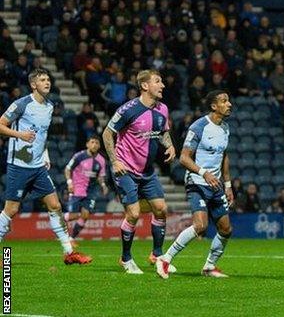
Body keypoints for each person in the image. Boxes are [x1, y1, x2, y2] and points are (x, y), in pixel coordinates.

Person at [0, 68, 91, 264]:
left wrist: (46, 154)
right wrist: (20, 135)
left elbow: (42, 135)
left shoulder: (50, 106)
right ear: (33, 85)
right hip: (19, 165)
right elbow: (1, 124)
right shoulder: (21, 104)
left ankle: (69, 252)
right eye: (42, 80)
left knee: (55, 205)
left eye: (48, 79)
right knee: (11, 210)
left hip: (38, 166)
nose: (47, 82)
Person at [102, 69, 176, 274]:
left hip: (148, 171)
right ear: (145, 86)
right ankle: (126, 258)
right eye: (157, 82)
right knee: (133, 213)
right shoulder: (128, 109)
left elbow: (163, 133)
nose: (162, 85)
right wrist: (114, 162)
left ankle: (157, 255)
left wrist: (169, 145)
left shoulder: (163, 109)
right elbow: (107, 133)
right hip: (125, 168)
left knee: (161, 209)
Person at [156, 90, 234, 279]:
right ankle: (165, 259)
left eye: (229, 100)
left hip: (216, 184)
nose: (229, 104)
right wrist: (203, 173)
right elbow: (183, 158)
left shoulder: (225, 128)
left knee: (225, 229)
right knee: (200, 226)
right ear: (214, 106)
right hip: (197, 181)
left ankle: (209, 267)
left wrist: (228, 184)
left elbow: (223, 155)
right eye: (224, 101)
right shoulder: (199, 127)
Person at [64, 136, 108, 244]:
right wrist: (69, 183)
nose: (94, 145)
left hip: (91, 191)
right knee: (74, 215)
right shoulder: (79, 156)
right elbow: (67, 169)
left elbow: (100, 176)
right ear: (87, 144)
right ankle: (58, 219)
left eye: (97, 143)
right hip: (77, 189)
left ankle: (71, 238)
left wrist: (103, 185)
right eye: (92, 142)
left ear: (99, 146)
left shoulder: (101, 160)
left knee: (86, 215)